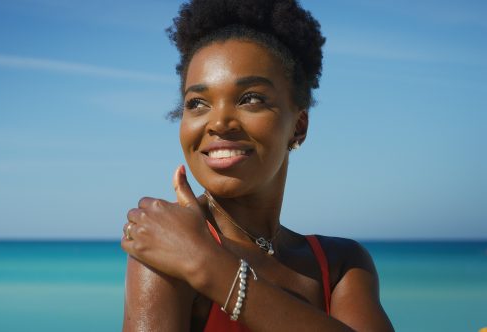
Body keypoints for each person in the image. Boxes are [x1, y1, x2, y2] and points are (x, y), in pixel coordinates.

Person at [121, 0, 394, 331]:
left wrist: (206, 264)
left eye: (251, 98)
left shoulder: (341, 263)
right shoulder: (164, 250)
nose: (219, 122)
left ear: (299, 126)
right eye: (197, 103)